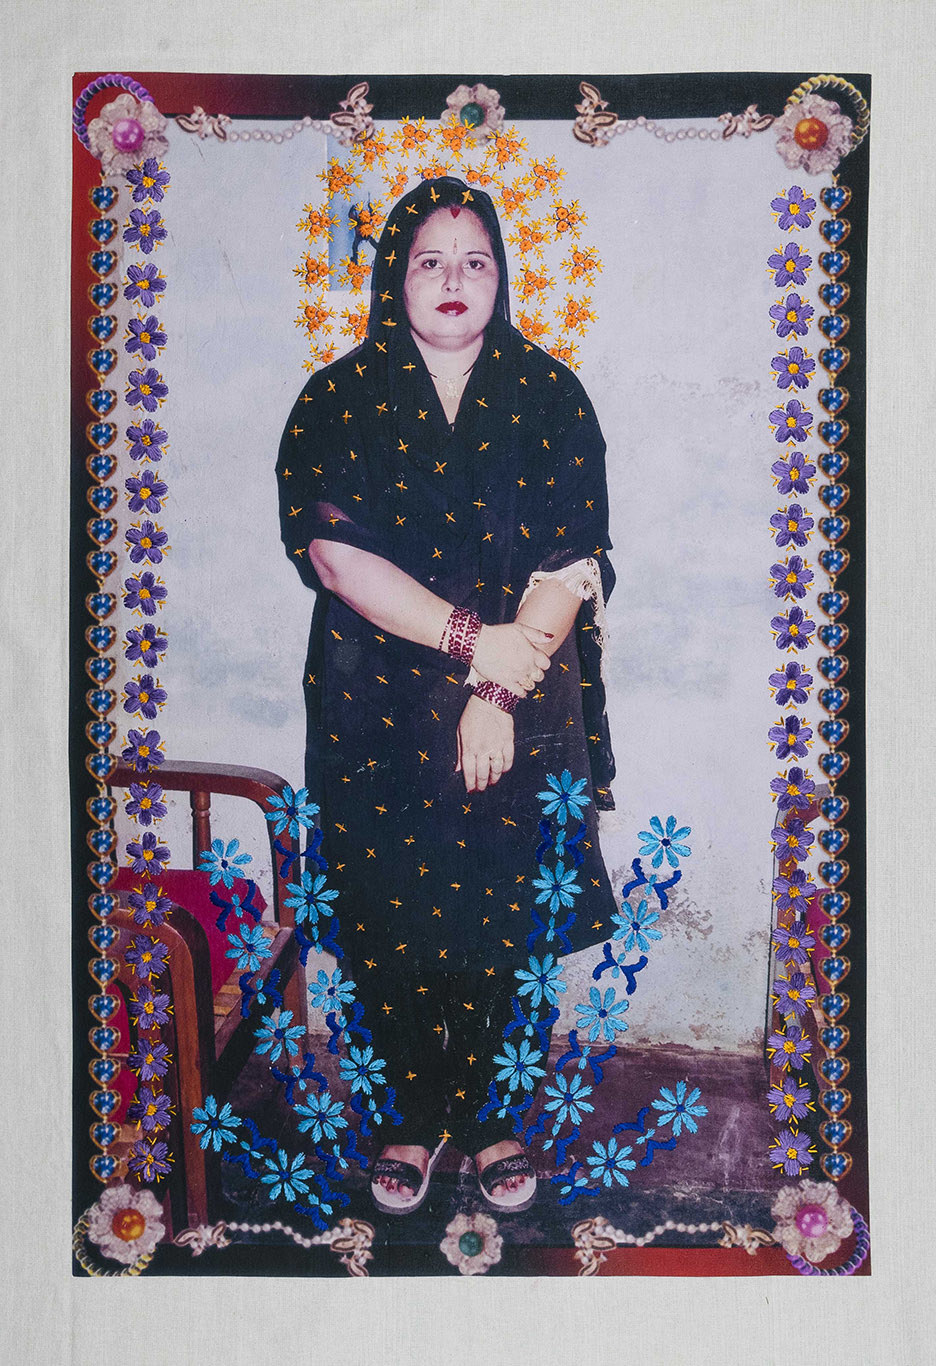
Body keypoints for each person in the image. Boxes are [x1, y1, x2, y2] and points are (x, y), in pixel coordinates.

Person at [277, 175, 617, 1215]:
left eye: (477, 259)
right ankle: (407, 1121)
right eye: (431, 259)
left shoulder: (551, 393)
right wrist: (477, 647)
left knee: (510, 917)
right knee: (392, 918)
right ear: (395, 278)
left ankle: (494, 1123)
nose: (455, 279)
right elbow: (337, 557)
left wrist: (499, 692)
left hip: (519, 710)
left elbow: (575, 560)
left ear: (504, 275)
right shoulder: (336, 398)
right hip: (377, 705)